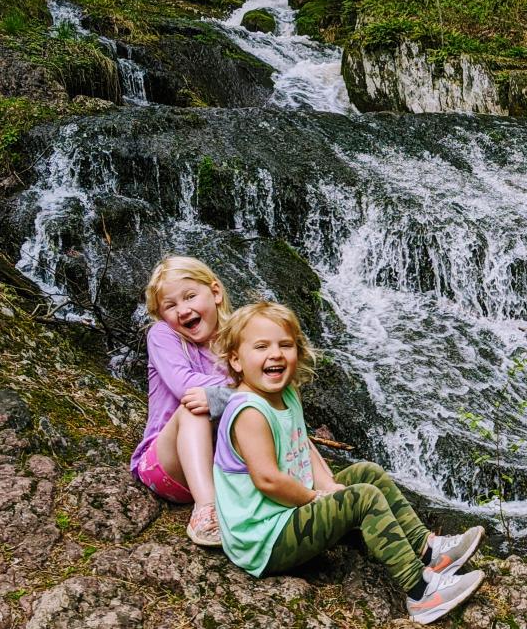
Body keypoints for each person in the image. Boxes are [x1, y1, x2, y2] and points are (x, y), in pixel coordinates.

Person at [211, 301, 485, 625]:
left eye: (285, 345)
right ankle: (422, 591)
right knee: (362, 498)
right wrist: (316, 498)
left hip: (286, 514)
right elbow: (268, 480)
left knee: (367, 474)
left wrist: (328, 485)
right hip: (265, 540)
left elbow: (303, 444)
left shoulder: (286, 393)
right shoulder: (250, 412)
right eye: (261, 347)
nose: (275, 354)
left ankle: (429, 550)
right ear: (236, 360)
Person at [132, 255, 234, 547]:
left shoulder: (238, 341)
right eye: (170, 306)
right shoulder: (163, 335)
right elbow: (183, 385)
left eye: (190, 296)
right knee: (195, 402)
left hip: (223, 468)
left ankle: (321, 486)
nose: (183, 310)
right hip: (167, 466)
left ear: (215, 292)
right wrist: (247, 388)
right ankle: (206, 509)